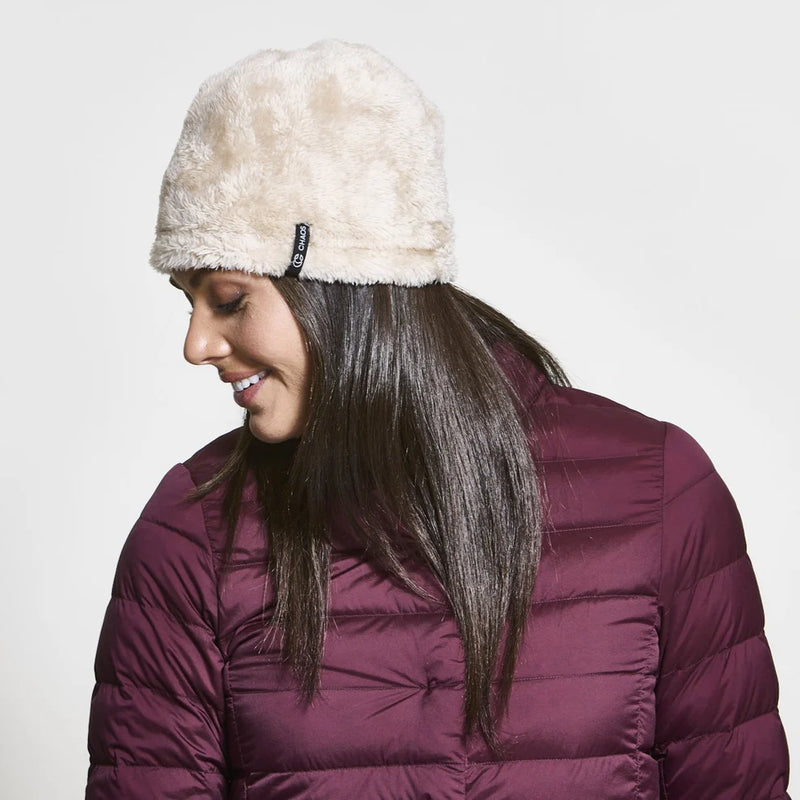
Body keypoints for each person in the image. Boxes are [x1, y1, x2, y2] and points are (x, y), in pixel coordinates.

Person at [85, 39, 792, 800]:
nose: (196, 345)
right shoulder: (191, 535)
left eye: (227, 299)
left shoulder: (659, 496)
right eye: (186, 303)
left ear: (346, 285)